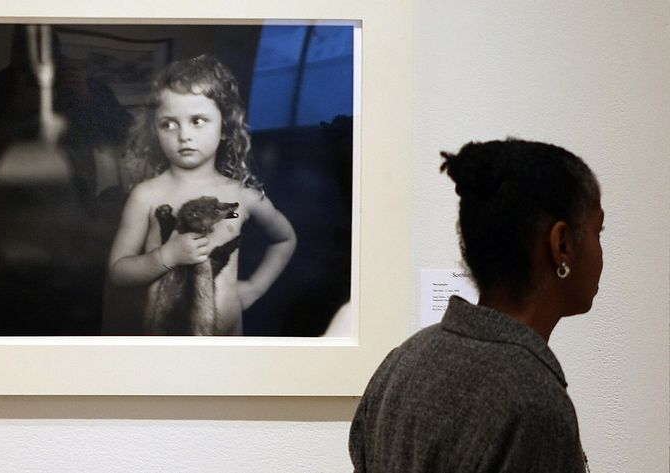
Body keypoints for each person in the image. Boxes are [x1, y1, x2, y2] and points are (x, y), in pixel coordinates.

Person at [350, 139, 603, 472]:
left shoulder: (401, 363)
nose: (601, 253)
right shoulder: (535, 404)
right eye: (599, 231)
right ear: (562, 244)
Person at [108, 54, 297, 335]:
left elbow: (284, 238)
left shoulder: (239, 199)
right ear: (155, 131)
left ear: (225, 127)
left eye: (198, 120)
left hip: (227, 346)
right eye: (169, 124)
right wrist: (166, 256)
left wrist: (256, 288)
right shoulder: (146, 196)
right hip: (162, 344)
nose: (184, 135)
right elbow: (118, 271)